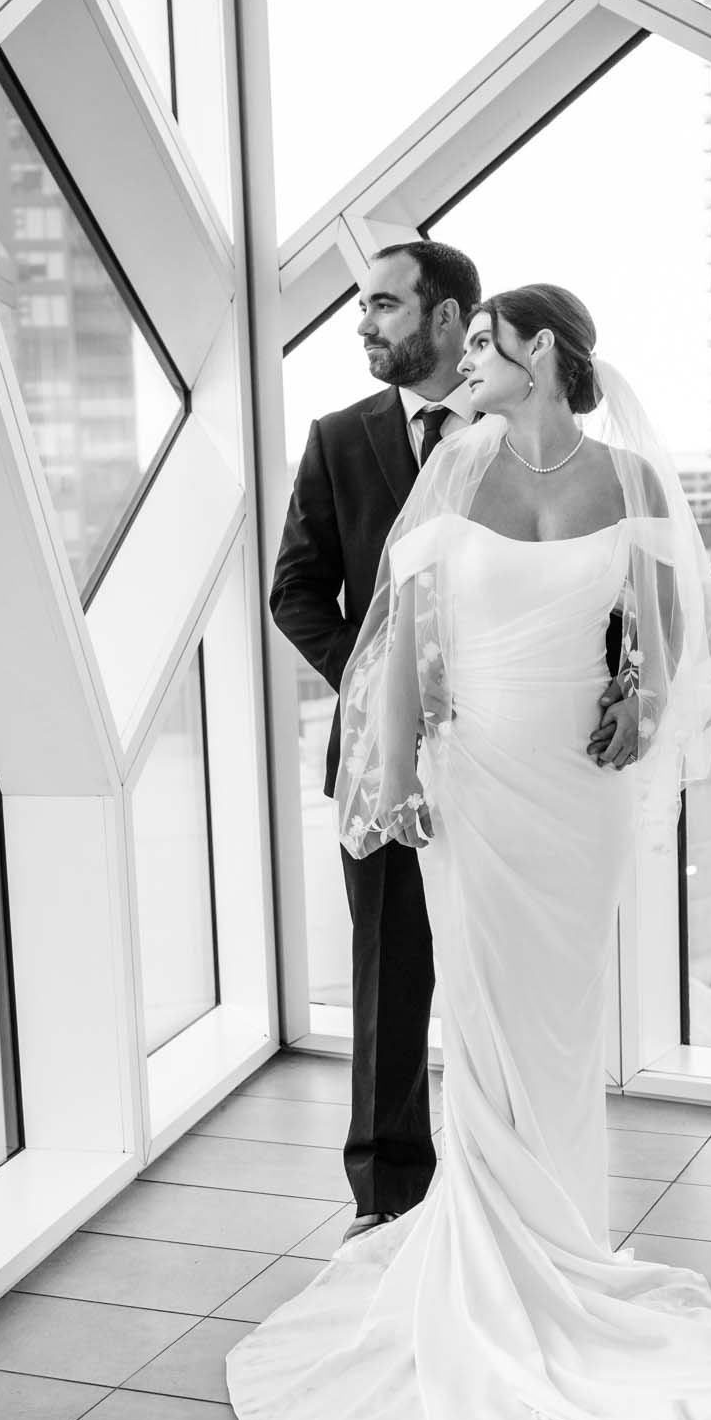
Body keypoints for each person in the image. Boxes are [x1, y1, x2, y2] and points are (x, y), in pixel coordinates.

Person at [232, 285, 711, 1420]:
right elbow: (401, 636)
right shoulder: (455, 468)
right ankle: (495, 1258)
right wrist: (393, 774)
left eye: (490, 352)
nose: (468, 366)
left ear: (542, 356)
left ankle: (562, 1246)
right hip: (476, 778)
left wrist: (640, 692)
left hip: (577, 788)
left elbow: (680, 617)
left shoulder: (624, 475)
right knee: (489, 1018)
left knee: (559, 1025)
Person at [270, 240, 482, 1243]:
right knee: (389, 979)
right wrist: (369, 687)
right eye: (362, 306)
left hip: (504, 753)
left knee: (499, 973)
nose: (365, 322)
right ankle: (385, 1195)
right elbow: (294, 589)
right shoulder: (336, 437)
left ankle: (508, 1189)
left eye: (386, 305)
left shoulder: (518, 428)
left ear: (444, 318)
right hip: (377, 763)